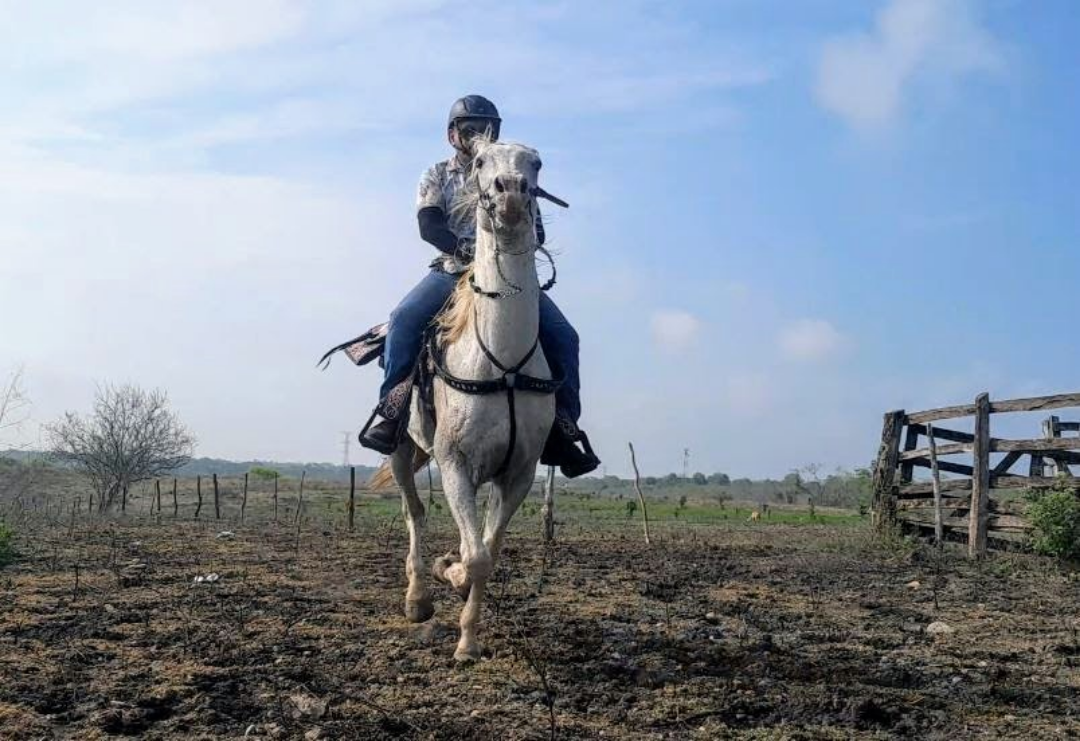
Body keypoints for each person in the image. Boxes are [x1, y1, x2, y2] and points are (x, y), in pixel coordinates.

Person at [358, 94, 600, 478]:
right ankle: (390, 410)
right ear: (452, 134)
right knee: (403, 320)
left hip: (508, 277)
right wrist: (467, 248)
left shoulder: (511, 177)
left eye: (488, 129)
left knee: (564, 337)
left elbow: (534, 230)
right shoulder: (436, 174)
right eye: (470, 129)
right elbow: (429, 226)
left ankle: (564, 427)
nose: (478, 136)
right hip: (453, 271)